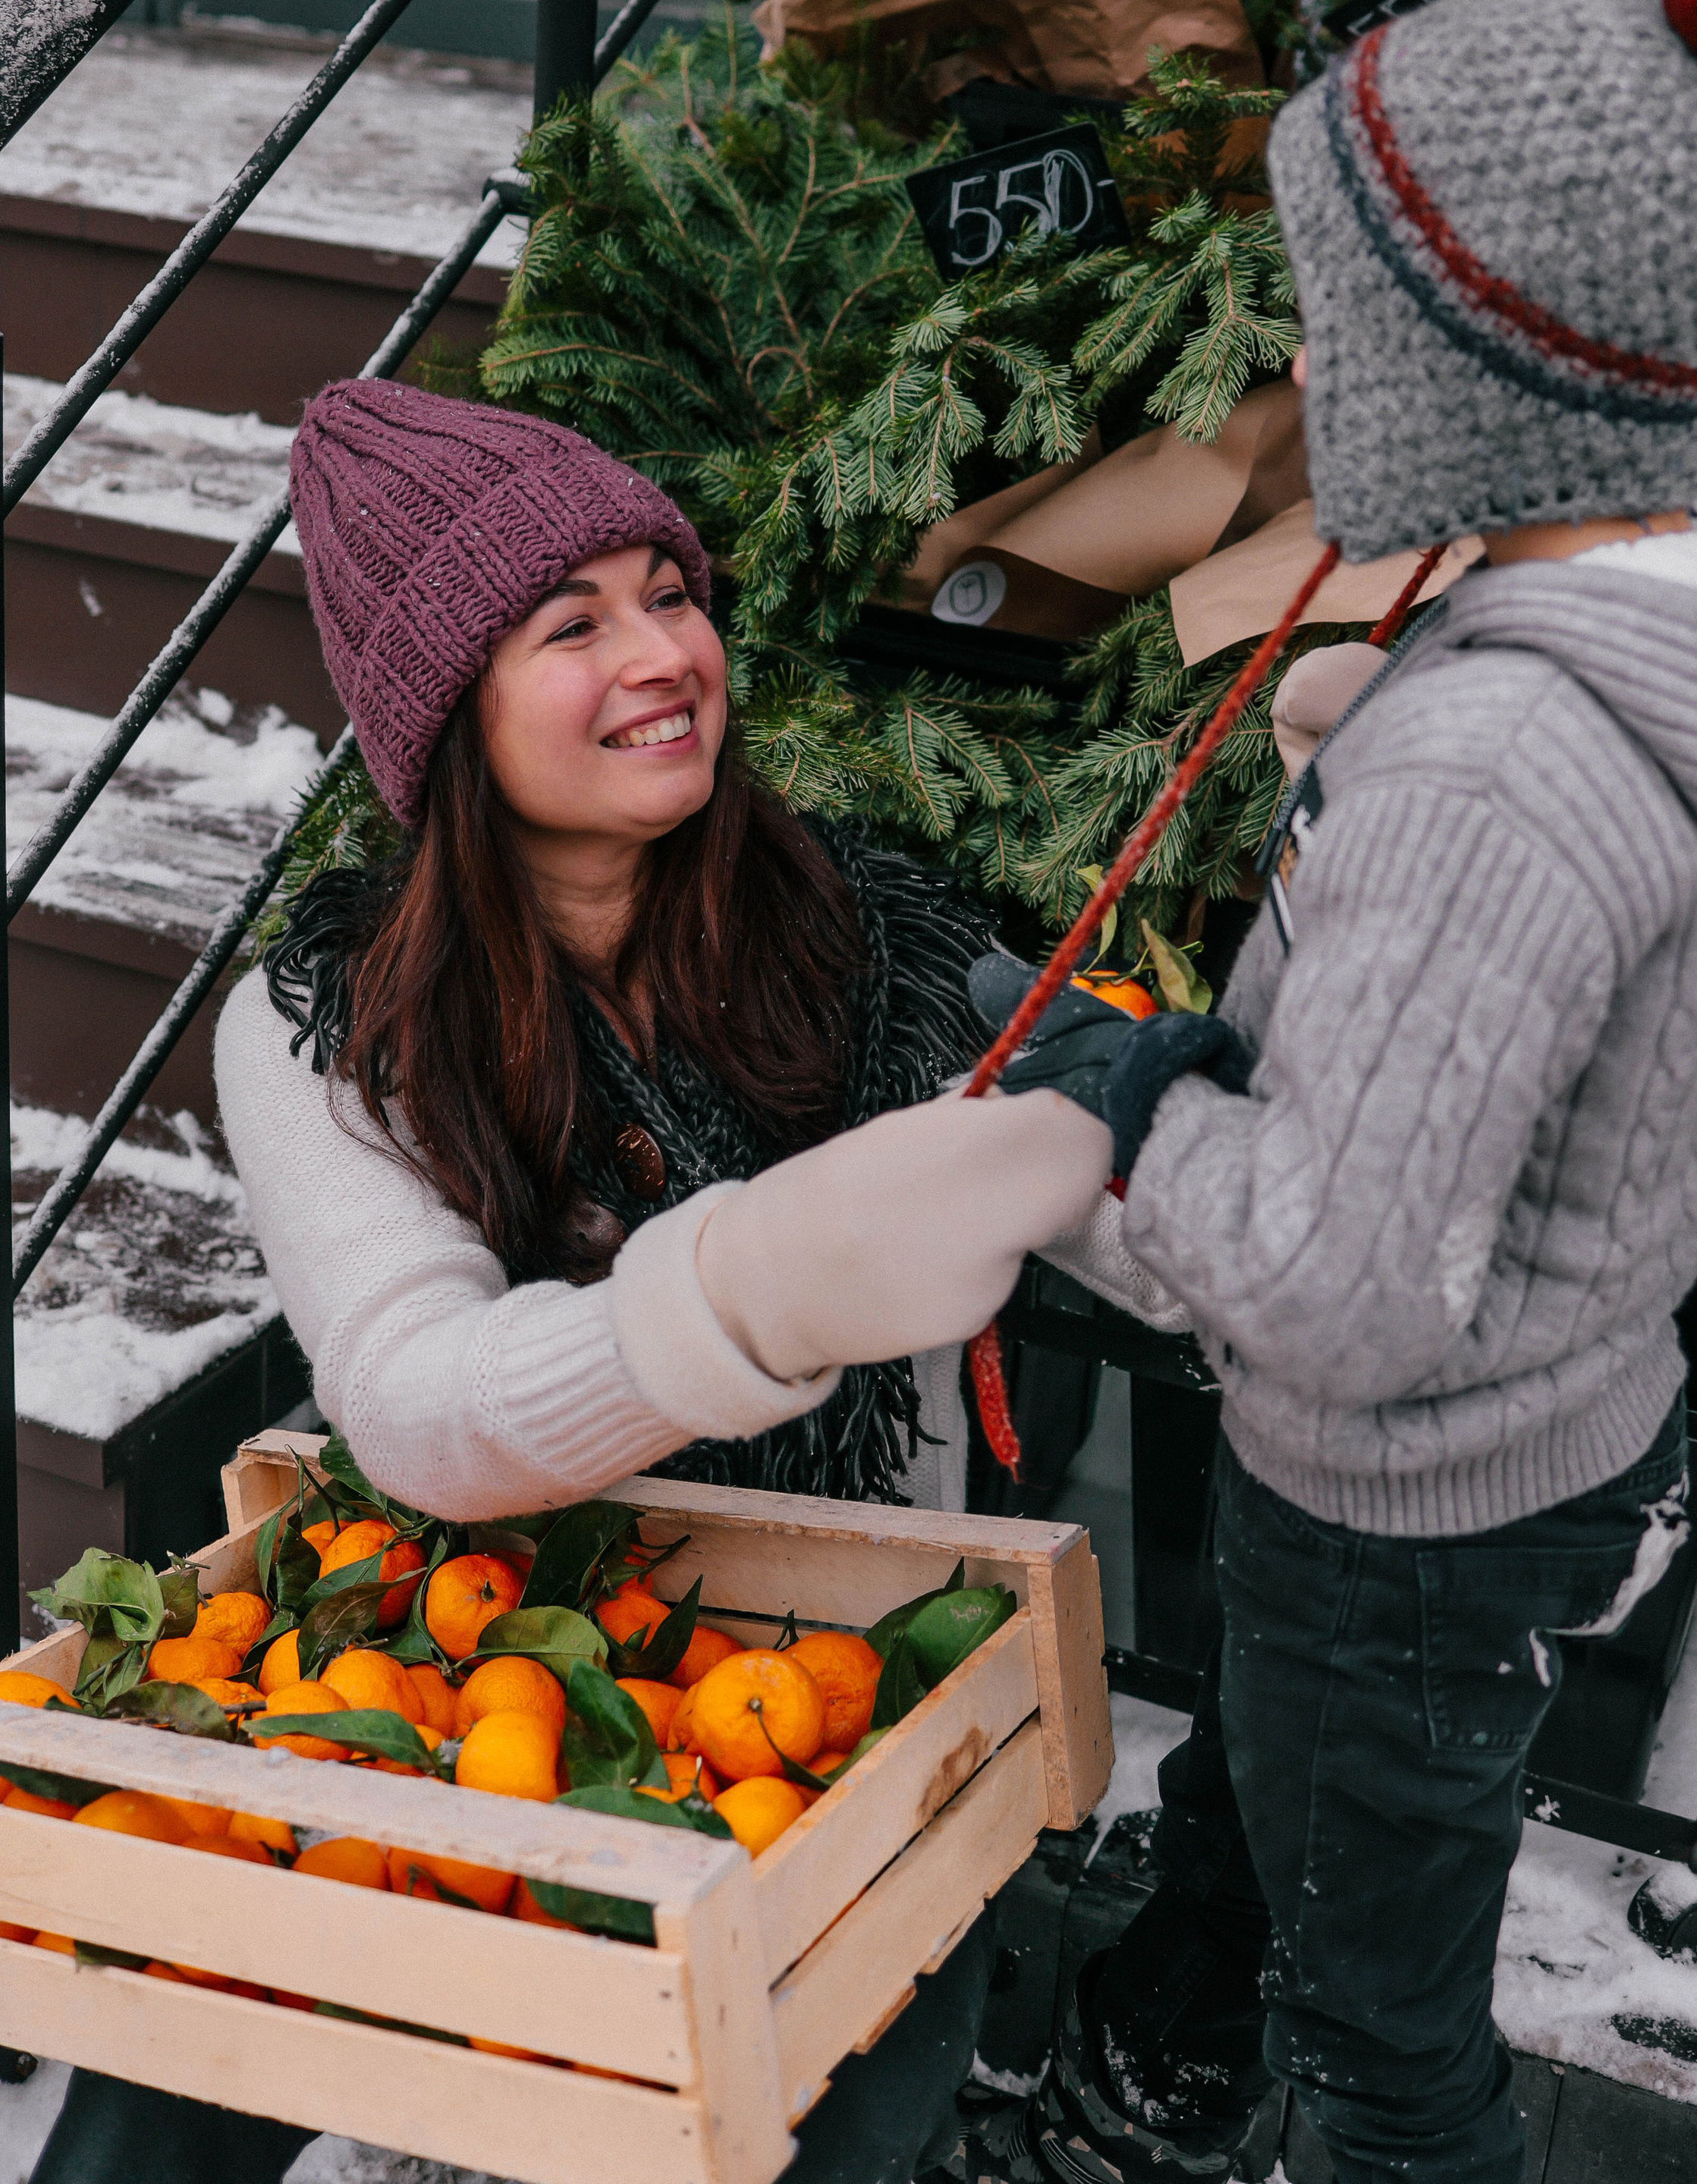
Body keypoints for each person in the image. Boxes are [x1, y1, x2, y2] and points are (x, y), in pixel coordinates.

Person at [956, 0, 1697, 2184]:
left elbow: (1331, 1289)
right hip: (1572, 1425)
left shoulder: (1494, 780)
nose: (1305, 347)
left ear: (1481, 360)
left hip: (1402, 1500)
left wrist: (1139, 1110)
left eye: (1340, 306)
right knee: (1303, 1810)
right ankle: (1165, 2028)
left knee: (1387, 2027)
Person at [30, 376, 1111, 2184]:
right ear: (448, 714)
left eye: (668, 592)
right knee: (169, 2071)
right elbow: (420, 1400)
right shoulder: (326, 1028)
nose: (661, 650)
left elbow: (1120, 1164)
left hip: (827, 1689)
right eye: (571, 621)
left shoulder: (872, 930)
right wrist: (748, 1292)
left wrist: (1159, 1104)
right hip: (473, 1646)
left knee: (825, 2114)